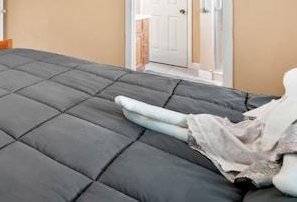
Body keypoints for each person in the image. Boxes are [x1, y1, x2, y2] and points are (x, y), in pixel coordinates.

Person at [115, 68, 297, 197]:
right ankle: (142, 113)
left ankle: (142, 116)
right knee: (209, 124)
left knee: (207, 128)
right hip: (254, 130)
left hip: (259, 146)